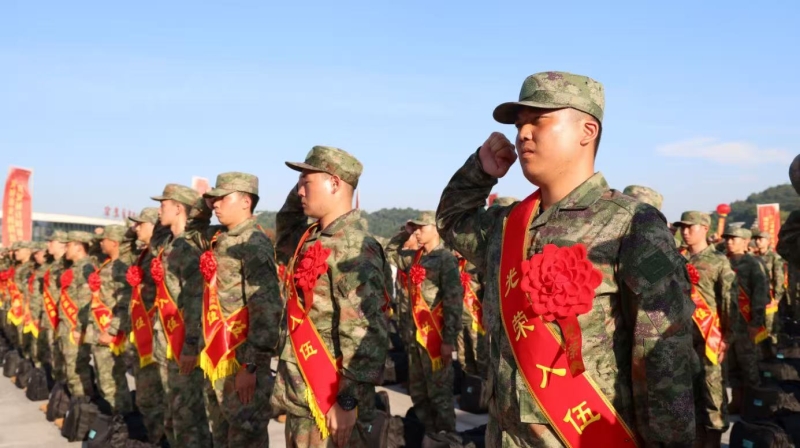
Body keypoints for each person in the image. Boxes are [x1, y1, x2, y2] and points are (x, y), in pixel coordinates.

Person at [436, 71, 697, 446]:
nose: (523, 134)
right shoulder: (506, 225)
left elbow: (663, 359)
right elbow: (451, 222)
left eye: (538, 120)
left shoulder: (631, 224)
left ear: (587, 131)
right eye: (519, 124)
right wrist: (479, 170)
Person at [272, 146, 391, 447]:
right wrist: (306, 176)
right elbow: (285, 225)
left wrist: (348, 400)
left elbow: (366, 333)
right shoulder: (310, 238)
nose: (299, 191)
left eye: (306, 183)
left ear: (334, 184)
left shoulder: (355, 247)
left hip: (331, 403)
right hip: (302, 398)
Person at [201, 172, 282, 447]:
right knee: (221, 436)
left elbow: (267, 309)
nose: (215, 204)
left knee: (245, 436)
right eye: (214, 200)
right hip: (219, 357)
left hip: (241, 361)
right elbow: (192, 224)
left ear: (246, 201)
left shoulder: (253, 243)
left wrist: (251, 365)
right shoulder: (220, 237)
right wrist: (205, 201)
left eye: (223, 198)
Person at [386, 211, 462, 435]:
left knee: (440, 395)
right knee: (419, 392)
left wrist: (449, 340)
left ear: (435, 229)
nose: (417, 232)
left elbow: (453, 301)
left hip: (435, 338)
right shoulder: (414, 258)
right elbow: (390, 253)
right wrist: (404, 232)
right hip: (415, 338)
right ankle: (427, 435)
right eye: (415, 229)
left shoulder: (446, 259)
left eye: (421, 228)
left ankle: (446, 438)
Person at [151, 184, 213, 447]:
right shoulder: (168, 243)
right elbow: (154, 237)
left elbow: (195, 299)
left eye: (163, 205)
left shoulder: (187, 247)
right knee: (173, 414)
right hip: (166, 340)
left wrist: (190, 346)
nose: (158, 210)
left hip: (182, 344)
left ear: (178, 208)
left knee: (188, 418)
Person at [674, 212, 737, 448]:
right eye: (682, 227)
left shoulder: (719, 261)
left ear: (705, 228)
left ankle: (713, 440)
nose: (685, 231)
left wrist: (727, 338)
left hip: (709, 338)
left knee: (713, 392)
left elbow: (729, 301)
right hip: (681, 338)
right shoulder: (676, 258)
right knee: (687, 393)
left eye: (691, 227)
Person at [127, 207, 171, 445]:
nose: (135, 229)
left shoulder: (161, 254)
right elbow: (125, 242)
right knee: (146, 398)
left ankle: (160, 439)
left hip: (160, 334)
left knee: (158, 398)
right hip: (143, 332)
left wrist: (159, 230)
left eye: (140, 224)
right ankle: (155, 438)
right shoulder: (143, 254)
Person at [82, 225, 133, 415]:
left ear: (115, 242)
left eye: (104, 240)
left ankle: (121, 419)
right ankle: (115, 419)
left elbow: (125, 303)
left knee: (112, 381)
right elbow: (92, 252)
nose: (101, 243)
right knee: (105, 379)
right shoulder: (106, 263)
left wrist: (112, 331)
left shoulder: (121, 267)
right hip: (100, 329)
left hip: (111, 332)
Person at [722, 226, 768, 413]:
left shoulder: (753, 264)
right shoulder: (722, 261)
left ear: (745, 241)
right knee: (731, 364)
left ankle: (754, 404)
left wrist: (756, 322)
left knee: (748, 364)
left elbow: (760, 294)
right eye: (727, 238)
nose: (729, 242)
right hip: (727, 323)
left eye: (734, 238)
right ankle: (737, 400)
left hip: (746, 322)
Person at [55, 231, 97, 429]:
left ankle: (84, 418)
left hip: (76, 327)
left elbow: (87, 301)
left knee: (77, 371)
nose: (66, 249)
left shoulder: (87, 267)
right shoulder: (74, 267)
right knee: (70, 369)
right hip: (67, 325)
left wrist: (81, 328)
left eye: (69, 245)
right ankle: (77, 414)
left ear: (79, 246)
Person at [753, 228, 785, 342]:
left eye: (760, 239)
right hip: (756, 297)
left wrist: (777, 298)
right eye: (756, 239)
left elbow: (779, 278)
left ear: (768, 241)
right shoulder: (754, 257)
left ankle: (773, 346)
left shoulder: (774, 257)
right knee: (759, 325)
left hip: (770, 296)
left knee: (770, 325)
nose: (757, 242)